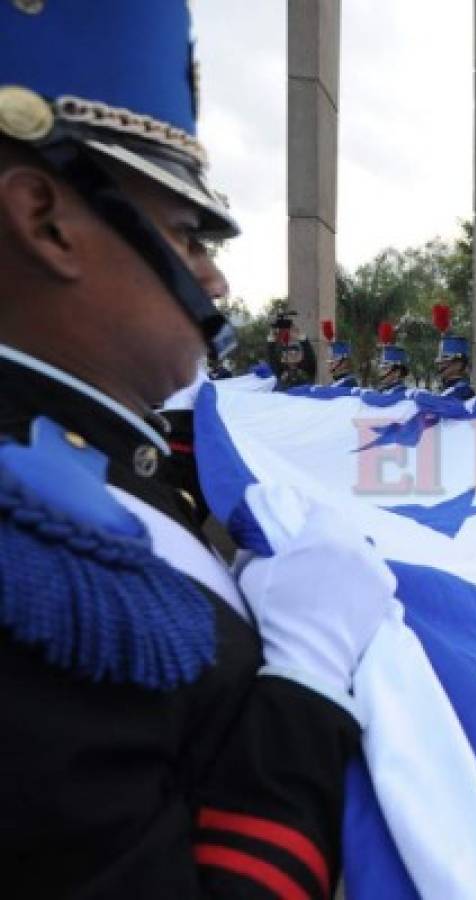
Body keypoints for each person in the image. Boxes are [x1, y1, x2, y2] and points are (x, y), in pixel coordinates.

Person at [0, 4, 391, 896]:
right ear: (46, 221)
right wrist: (306, 682)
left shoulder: (101, 456)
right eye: (183, 235)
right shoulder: (30, 570)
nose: (211, 278)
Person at [432, 303, 475, 400]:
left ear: (459, 364)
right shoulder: (445, 388)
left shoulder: (463, 390)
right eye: (440, 359)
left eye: (445, 359)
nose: (440, 363)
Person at [267, 310, 316, 391]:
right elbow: (271, 355)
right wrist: (272, 335)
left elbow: (309, 354)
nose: (293, 354)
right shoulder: (280, 370)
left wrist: (300, 336)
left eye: (296, 352)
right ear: (283, 358)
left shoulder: (307, 369)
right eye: (289, 352)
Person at [375, 322, 410, 393]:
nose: (380, 371)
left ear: (397, 372)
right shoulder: (384, 392)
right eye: (381, 367)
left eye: (385, 367)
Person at [322, 319, 358, 389]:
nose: (330, 365)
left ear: (344, 362)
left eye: (332, 360)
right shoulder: (337, 383)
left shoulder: (347, 384)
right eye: (329, 361)